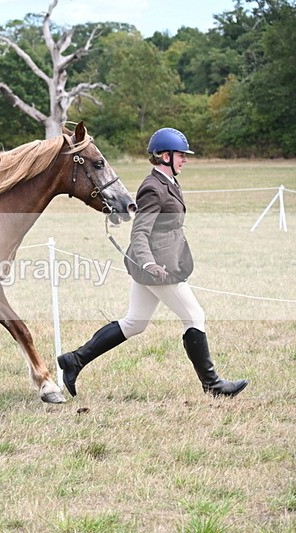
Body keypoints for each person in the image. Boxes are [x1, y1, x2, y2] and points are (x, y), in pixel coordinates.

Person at [57, 127, 248, 399]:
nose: (185, 159)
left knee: (135, 323)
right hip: (157, 269)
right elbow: (140, 232)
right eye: (180, 155)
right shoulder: (152, 187)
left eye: (184, 155)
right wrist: (149, 265)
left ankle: (74, 360)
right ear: (163, 156)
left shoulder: (168, 183)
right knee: (194, 316)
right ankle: (213, 384)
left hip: (159, 263)